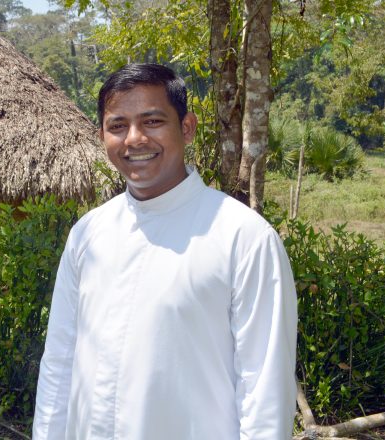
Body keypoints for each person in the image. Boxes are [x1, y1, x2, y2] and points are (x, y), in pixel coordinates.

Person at [32, 63, 297, 439]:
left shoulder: (243, 237)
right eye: (118, 126)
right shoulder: (88, 235)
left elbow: (265, 389)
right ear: (102, 135)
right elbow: (59, 362)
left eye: (152, 121)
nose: (134, 139)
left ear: (186, 127)